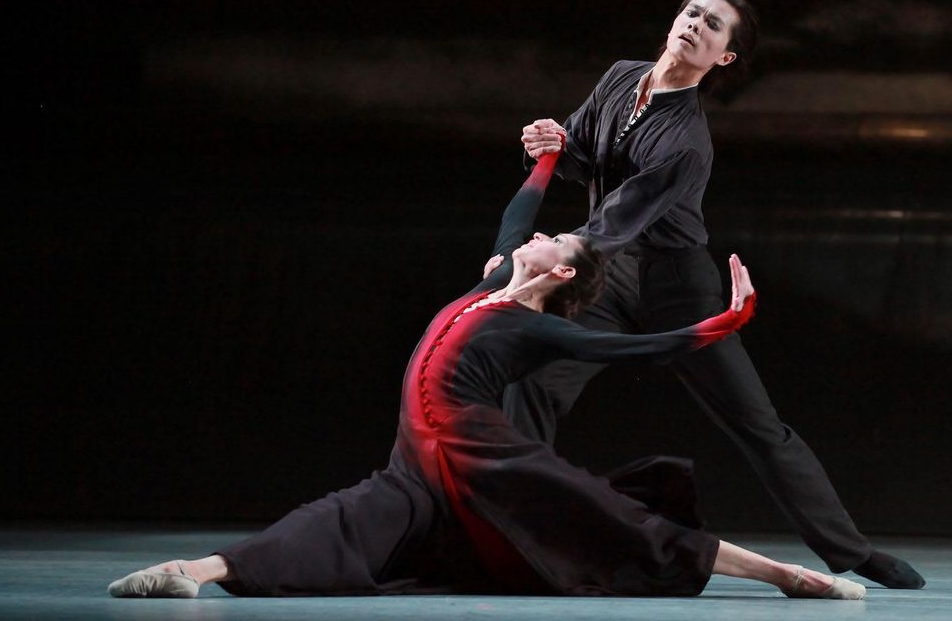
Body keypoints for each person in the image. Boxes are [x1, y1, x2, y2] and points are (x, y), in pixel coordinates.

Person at [109, 151, 864, 601]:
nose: (540, 234)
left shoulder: (537, 325)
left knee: (617, 520)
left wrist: (725, 320)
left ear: (560, 271)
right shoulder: (499, 276)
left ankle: (787, 575)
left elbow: (639, 350)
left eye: (554, 239)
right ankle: (195, 572)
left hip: (487, 456)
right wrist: (548, 156)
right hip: (416, 460)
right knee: (335, 521)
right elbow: (517, 212)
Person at [492, 0, 923, 590]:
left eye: (713, 25)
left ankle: (853, 552)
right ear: (675, 20)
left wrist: (546, 257)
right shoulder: (621, 77)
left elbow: (616, 220)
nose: (696, 24)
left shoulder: (686, 141)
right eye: (692, 13)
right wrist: (551, 144)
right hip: (612, 274)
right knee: (531, 381)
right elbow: (585, 157)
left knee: (756, 422)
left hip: (677, 286)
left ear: (724, 56)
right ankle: (514, 524)